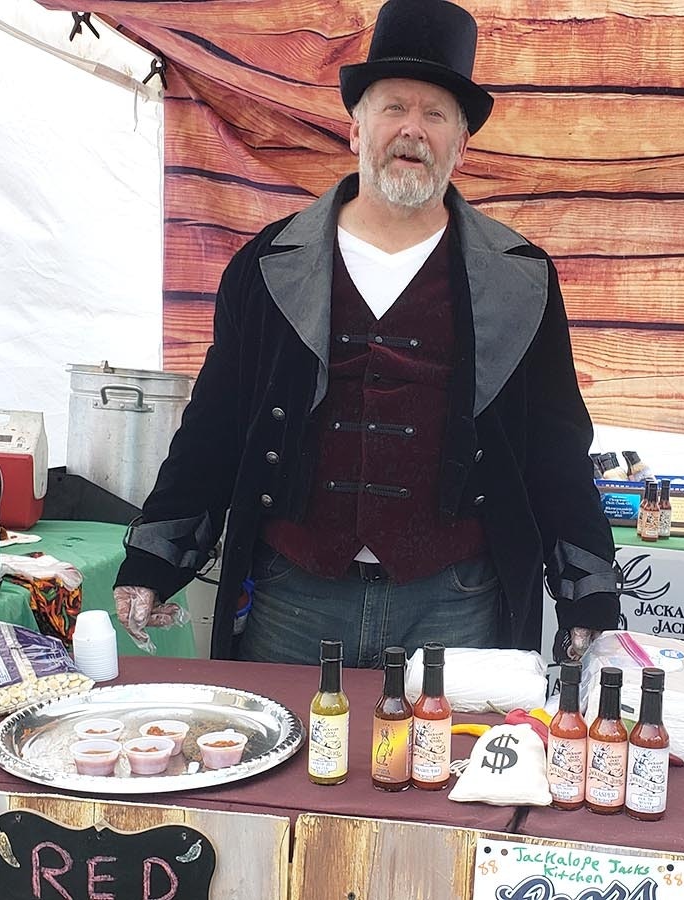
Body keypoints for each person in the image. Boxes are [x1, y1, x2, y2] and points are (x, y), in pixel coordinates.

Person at [112, 0, 618, 667]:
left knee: (445, 770)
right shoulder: (267, 267)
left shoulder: (521, 281)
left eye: (436, 115)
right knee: (280, 766)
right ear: (356, 130)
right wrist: (154, 557)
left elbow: (556, 444)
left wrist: (588, 600)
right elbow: (217, 422)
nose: (412, 130)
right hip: (294, 599)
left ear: (461, 147)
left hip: (457, 601)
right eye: (393, 108)